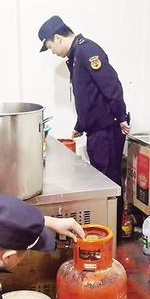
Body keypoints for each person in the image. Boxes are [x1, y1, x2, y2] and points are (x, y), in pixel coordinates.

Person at [38, 16, 131, 191]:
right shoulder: (76, 55)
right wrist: (80, 125)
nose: (53, 52)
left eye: (50, 47)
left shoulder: (87, 50)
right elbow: (88, 98)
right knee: (101, 184)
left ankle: (114, 211)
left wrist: (121, 116)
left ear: (58, 38)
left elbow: (111, 85)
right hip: (96, 132)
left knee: (108, 186)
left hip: (106, 132)